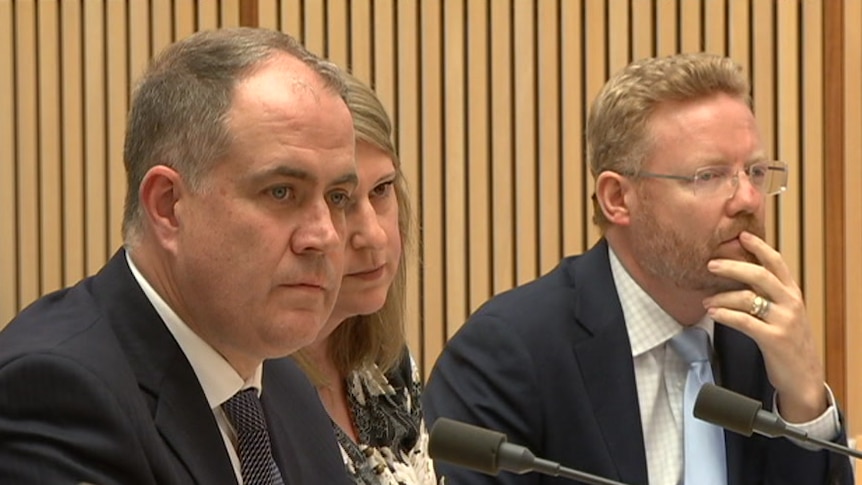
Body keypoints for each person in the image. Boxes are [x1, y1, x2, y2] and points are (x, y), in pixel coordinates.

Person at [422, 53, 853, 485]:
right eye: (709, 175)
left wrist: (804, 401)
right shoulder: (508, 354)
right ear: (617, 198)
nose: (748, 200)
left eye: (755, 172)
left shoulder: (764, 345)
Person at [0, 28, 357, 484]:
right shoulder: (56, 395)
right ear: (168, 205)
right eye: (282, 192)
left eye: (339, 197)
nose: (324, 235)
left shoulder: (287, 388)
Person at [292, 71, 438, 485]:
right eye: (341, 199)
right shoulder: (251, 385)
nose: (372, 234)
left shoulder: (386, 366)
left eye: (382, 190)